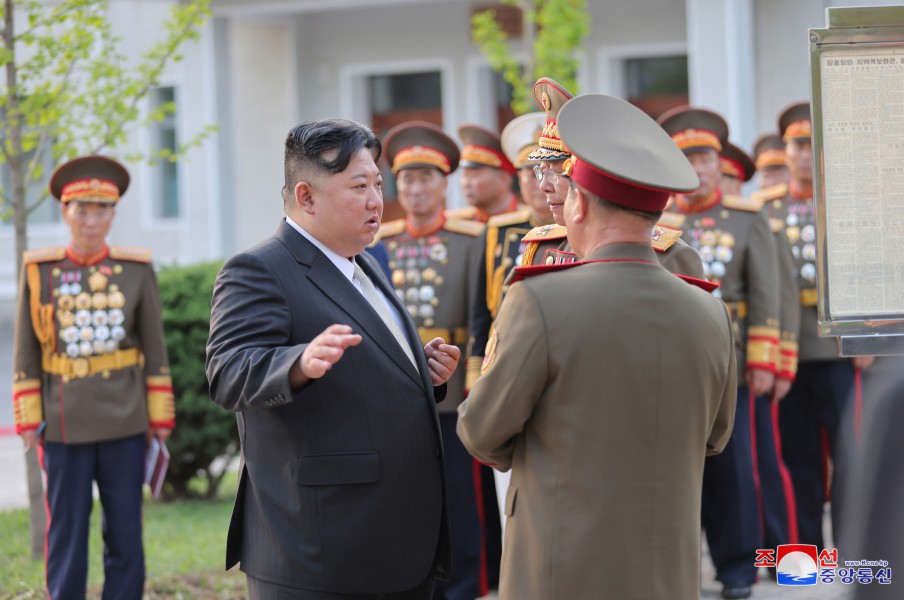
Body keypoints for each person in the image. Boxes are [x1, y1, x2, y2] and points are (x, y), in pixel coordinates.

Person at [458, 93, 737, 600]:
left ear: (578, 201)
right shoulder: (710, 310)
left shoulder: (537, 299)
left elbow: (482, 430)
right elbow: (715, 435)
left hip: (561, 568)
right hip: (668, 574)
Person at [205, 119, 460, 599]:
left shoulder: (363, 262)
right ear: (306, 197)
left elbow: (371, 369)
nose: (376, 200)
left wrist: (420, 373)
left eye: (378, 184)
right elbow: (229, 373)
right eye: (358, 186)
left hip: (399, 541)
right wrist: (298, 364)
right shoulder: (259, 269)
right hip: (320, 548)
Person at [12, 155, 175, 600]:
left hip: (125, 420)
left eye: (100, 210)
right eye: (80, 209)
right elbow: (26, 352)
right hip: (64, 423)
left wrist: (159, 418)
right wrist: (29, 419)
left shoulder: (137, 270)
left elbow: (155, 350)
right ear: (65, 213)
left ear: (113, 215)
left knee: (124, 529)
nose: (90, 219)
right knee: (67, 530)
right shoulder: (40, 271)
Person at [658, 105, 781, 600]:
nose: (697, 167)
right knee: (674, 471)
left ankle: (736, 571)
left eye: (705, 158)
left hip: (729, 364)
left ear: (717, 162)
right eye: (686, 157)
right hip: (670, 365)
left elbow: (768, 292)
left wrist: (765, 361)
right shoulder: (653, 222)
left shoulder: (747, 218)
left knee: (733, 469)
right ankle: (681, 572)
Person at [374, 121, 485, 600]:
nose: (416, 189)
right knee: (404, 501)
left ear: (445, 185)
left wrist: (476, 381)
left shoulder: (471, 239)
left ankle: (463, 588)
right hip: (397, 389)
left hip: (453, 388)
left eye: (426, 179)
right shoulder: (380, 243)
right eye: (408, 179)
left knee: (460, 499)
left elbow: (483, 316)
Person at [766, 102, 873, 555]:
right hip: (789, 351)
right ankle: (804, 555)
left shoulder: (851, 198)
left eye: (813, 144)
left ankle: (853, 553)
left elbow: (874, 265)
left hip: (840, 350)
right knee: (798, 459)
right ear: (784, 151)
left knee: (851, 458)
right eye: (797, 145)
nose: (805, 154)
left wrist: (866, 332)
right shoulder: (764, 208)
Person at [520, 77, 705, 279]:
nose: (543, 186)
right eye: (541, 171)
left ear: (592, 178)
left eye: (556, 173)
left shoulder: (668, 256)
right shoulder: (542, 248)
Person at [450, 124, 519, 223]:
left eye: (474, 175)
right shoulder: (457, 224)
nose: (466, 183)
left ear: (502, 180)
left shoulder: (532, 225)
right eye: (465, 175)